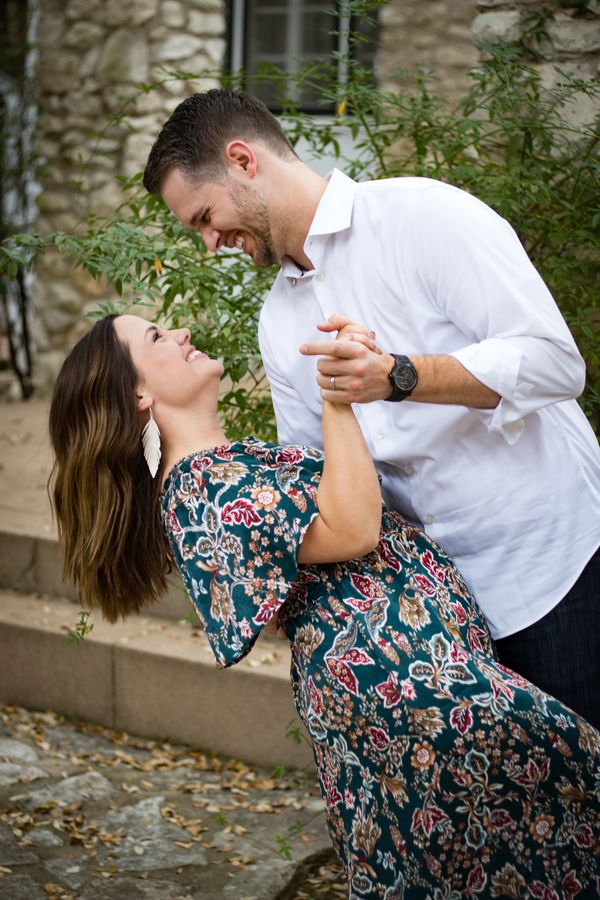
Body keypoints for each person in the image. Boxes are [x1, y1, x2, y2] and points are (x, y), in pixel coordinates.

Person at [49, 313, 600, 898]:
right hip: (407, 694)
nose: (181, 334)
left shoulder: (224, 467)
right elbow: (353, 526)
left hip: (417, 682)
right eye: (156, 338)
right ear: (138, 395)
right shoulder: (199, 487)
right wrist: (340, 397)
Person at [142, 89, 600, 728]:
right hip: (445, 623)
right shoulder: (279, 324)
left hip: (554, 569)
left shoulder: (423, 217)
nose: (210, 242)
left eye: (204, 217)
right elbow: (326, 478)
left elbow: (556, 362)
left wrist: (400, 376)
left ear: (243, 161)